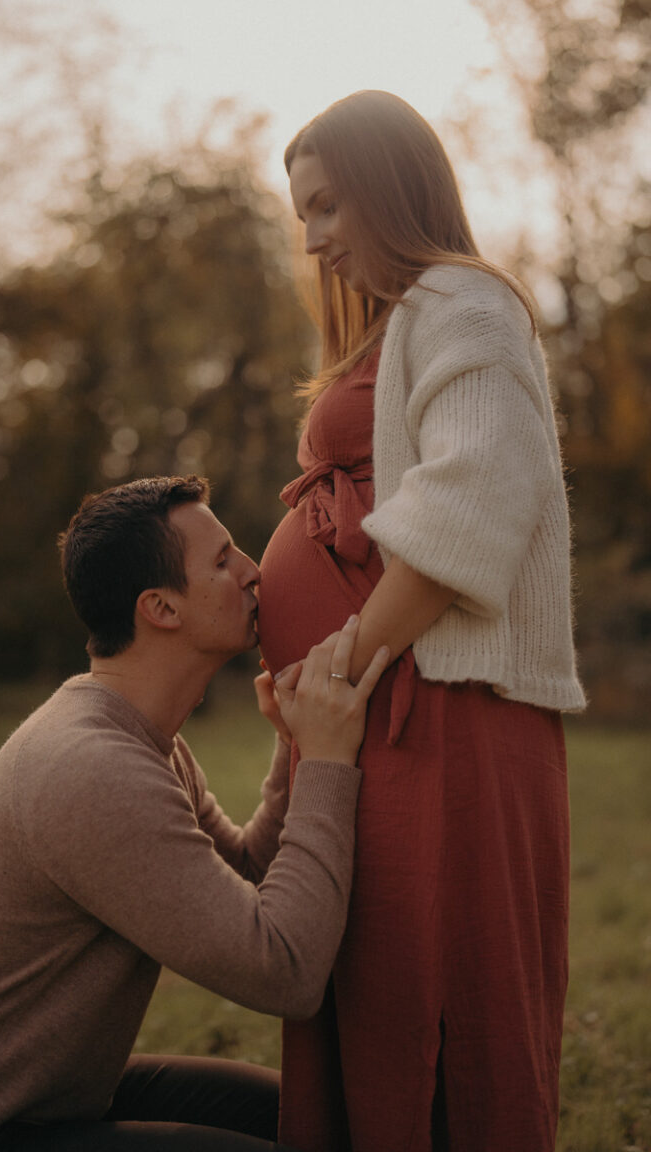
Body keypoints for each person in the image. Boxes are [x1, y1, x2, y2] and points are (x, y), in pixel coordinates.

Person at [256, 90, 587, 1152]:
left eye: (325, 208)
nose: (311, 240)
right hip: (380, 717)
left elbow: (470, 505)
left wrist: (342, 663)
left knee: (447, 998)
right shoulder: (409, 322)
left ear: (386, 185)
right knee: (377, 990)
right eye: (300, 215)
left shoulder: (464, 306)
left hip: (441, 715)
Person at [0, 474, 389, 1152]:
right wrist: (328, 763)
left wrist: (296, 746)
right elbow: (285, 970)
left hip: (54, 1101)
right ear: (161, 608)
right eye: (222, 559)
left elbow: (241, 873)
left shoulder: (135, 737)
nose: (253, 571)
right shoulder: (89, 767)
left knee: (314, 1118)